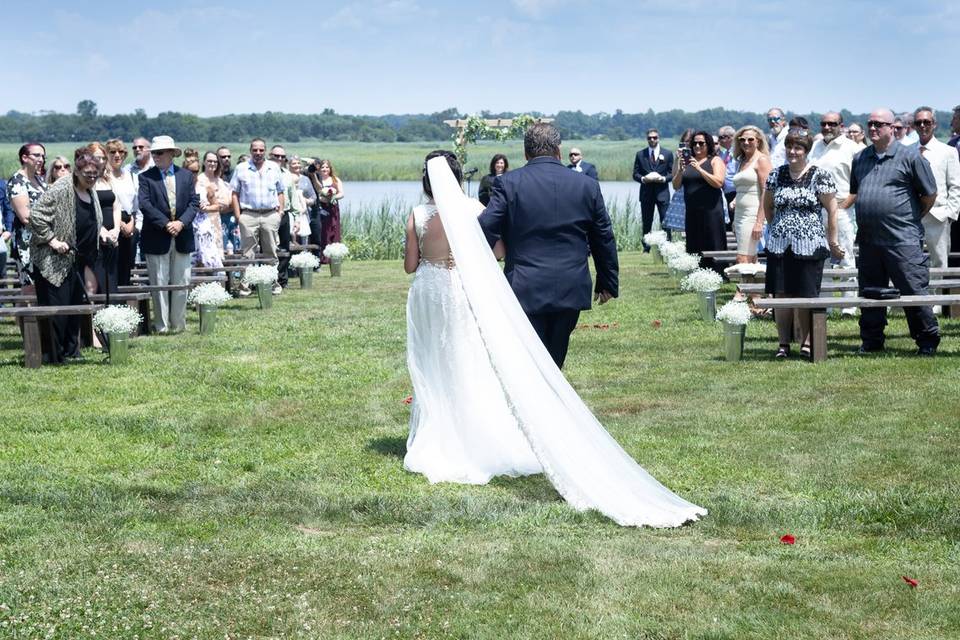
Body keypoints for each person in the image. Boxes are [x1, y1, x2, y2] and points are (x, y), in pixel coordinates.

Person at [403, 151, 705, 528]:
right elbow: (600, 234)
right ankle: (533, 427)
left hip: (462, 290)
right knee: (504, 363)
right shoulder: (573, 185)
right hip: (559, 288)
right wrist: (608, 280)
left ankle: (490, 428)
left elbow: (416, 262)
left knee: (448, 361)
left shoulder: (494, 190)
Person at [479, 122, 618, 369]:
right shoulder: (586, 185)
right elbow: (603, 236)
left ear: (526, 153)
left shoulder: (508, 183)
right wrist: (607, 281)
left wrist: (473, 269)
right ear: (559, 150)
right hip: (571, 284)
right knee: (554, 358)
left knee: (529, 359)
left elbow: (486, 228)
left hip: (524, 285)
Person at [850, 109, 939, 356]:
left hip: (903, 240)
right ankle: (871, 340)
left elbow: (929, 195)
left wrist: (909, 218)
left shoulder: (911, 157)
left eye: (879, 124)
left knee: (913, 289)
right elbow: (858, 192)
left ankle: (927, 341)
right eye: (870, 123)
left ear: (892, 127)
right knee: (870, 293)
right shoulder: (860, 158)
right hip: (869, 240)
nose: (873, 128)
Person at [762, 128, 844, 359]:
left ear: (806, 151)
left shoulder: (820, 175)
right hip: (779, 245)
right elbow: (768, 206)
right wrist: (778, 226)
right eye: (789, 147)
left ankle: (807, 341)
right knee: (782, 296)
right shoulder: (776, 175)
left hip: (810, 245)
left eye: (798, 147)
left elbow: (832, 209)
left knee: (806, 295)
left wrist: (833, 239)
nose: (793, 151)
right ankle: (783, 344)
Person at [28, 154, 102, 363]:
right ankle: (53, 353)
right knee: (57, 308)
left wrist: (102, 233)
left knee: (73, 306)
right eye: (87, 174)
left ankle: (71, 350)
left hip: (78, 259)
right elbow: (36, 216)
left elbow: (90, 220)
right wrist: (52, 240)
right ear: (76, 172)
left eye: (95, 174)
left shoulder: (90, 190)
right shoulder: (61, 189)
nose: (92, 178)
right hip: (54, 260)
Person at [138, 135, 200, 334]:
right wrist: (167, 224)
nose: (155, 156)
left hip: (182, 235)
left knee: (181, 282)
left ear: (172, 153)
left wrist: (181, 223)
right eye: (153, 153)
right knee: (159, 281)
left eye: (159, 152)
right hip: (157, 236)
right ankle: (162, 326)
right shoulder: (146, 177)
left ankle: (178, 324)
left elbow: (193, 203)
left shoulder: (186, 176)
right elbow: (145, 204)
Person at [809, 112, 861, 316]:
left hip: (841, 209)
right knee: (821, 257)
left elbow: (861, 179)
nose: (827, 127)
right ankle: (827, 303)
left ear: (841, 125)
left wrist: (848, 201)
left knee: (845, 255)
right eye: (824, 123)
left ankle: (849, 305)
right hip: (816, 208)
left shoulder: (853, 148)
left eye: (832, 124)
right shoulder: (816, 146)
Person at [230, 138, 285, 292]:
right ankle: (245, 285)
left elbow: (280, 191)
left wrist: (280, 213)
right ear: (250, 151)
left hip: (270, 214)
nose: (258, 153)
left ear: (265, 151)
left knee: (271, 250)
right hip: (248, 215)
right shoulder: (241, 168)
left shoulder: (273, 167)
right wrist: (238, 215)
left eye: (261, 150)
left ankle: (272, 283)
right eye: (255, 150)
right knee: (247, 253)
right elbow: (234, 193)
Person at [914, 107, 960, 278]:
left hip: (938, 216)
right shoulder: (907, 151)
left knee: (939, 263)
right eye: (919, 122)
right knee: (910, 260)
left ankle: (938, 304)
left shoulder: (948, 151)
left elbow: (955, 185)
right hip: (911, 216)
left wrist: (950, 214)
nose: (923, 126)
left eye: (927, 122)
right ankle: (915, 300)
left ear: (934, 124)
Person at [672, 130, 727, 271]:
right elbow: (676, 185)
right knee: (694, 242)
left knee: (713, 241)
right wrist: (679, 169)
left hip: (711, 211)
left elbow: (718, 182)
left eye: (701, 143)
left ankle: (717, 272)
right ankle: (696, 273)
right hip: (692, 210)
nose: (697, 146)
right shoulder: (686, 162)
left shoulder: (715, 160)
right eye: (694, 143)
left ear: (708, 145)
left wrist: (700, 169)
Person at [7, 142, 48, 292]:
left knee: (41, 289)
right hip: (27, 242)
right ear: (24, 157)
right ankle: (21, 316)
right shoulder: (17, 181)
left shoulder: (40, 180)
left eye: (43, 156)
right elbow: (25, 217)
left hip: (44, 240)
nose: (41, 159)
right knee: (29, 290)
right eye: (36, 155)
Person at [731, 125, 771, 263]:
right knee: (749, 256)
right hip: (739, 214)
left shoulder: (762, 160)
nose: (746, 142)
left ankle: (744, 284)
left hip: (753, 214)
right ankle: (753, 284)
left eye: (750, 139)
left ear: (758, 141)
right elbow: (744, 188)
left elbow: (766, 191)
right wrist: (735, 200)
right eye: (742, 139)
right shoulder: (741, 161)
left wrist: (759, 222)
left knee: (742, 258)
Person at [84, 142, 120, 298]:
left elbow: (116, 205)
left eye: (103, 158)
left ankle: (112, 317)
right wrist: (101, 229)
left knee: (111, 280)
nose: (101, 161)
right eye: (97, 157)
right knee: (96, 281)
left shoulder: (108, 179)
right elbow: (86, 210)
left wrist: (116, 230)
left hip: (111, 237)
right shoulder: (85, 180)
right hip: (94, 237)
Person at [104, 139, 138, 287]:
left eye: (121, 152)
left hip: (130, 223)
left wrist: (132, 223)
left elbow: (135, 205)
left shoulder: (131, 175)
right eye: (113, 152)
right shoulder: (104, 176)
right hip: (112, 223)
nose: (117, 155)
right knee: (113, 268)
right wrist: (120, 225)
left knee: (127, 267)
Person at [634, 128, 673, 250]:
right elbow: (635, 174)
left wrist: (663, 179)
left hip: (662, 193)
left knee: (665, 221)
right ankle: (646, 247)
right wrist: (643, 179)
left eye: (654, 137)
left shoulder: (667, 154)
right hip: (646, 193)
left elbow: (672, 173)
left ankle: (667, 246)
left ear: (658, 138)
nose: (652, 139)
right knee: (647, 222)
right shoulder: (640, 154)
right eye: (650, 138)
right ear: (647, 139)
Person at [193, 151, 228, 268]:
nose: (212, 164)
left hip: (216, 218)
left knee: (215, 253)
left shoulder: (219, 180)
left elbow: (225, 202)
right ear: (204, 162)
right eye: (209, 161)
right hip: (201, 218)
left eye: (215, 161)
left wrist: (215, 204)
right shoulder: (199, 179)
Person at [307, 159, 344, 265]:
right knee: (323, 231)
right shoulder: (317, 178)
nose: (325, 169)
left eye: (327, 167)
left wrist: (334, 197)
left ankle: (335, 256)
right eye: (323, 167)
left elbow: (342, 193)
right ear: (319, 169)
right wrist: (324, 198)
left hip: (333, 208)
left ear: (330, 168)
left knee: (334, 229)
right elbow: (317, 192)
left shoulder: (335, 179)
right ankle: (323, 257)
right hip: (321, 208)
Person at [663, 129, 694, 233]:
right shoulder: (679, 156)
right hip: (682, 193)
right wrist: (677, 159)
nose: (687, 144)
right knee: (683, 228)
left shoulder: (700, 155)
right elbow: (674, 177)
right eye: (684, 142)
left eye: (689, 141)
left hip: (695, 193)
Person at [270, 145, 292, 290]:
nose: (279, 159)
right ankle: (266, 278)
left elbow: (292, 195)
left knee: (284, 247)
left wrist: (295, 215)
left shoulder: (287, 174)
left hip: (285, 213)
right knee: (268, 247)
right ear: (270, 155)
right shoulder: (266, 171)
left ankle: (282, 278)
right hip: (269, 213)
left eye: (282, 157)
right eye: (276, 156)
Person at [215, 146, 240, 254]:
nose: (226, 159)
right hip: (217, 216)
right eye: (223, 156)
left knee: (236, 245)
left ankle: (236, 271)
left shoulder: (236, 174)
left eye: (228, 156)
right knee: (221, 246)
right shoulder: (212, 176)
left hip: (233, 215)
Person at [285, 155, 310, 246]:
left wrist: (302, 209)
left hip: (300, 214)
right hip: (289, 212)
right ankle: (291, 243)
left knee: (302, 232)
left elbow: (305, 203)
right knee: (291, 230)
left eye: (298, 163)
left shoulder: (300, 191)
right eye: (294, 163)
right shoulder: (286, 177)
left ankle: (304, 249)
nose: (297, 165)